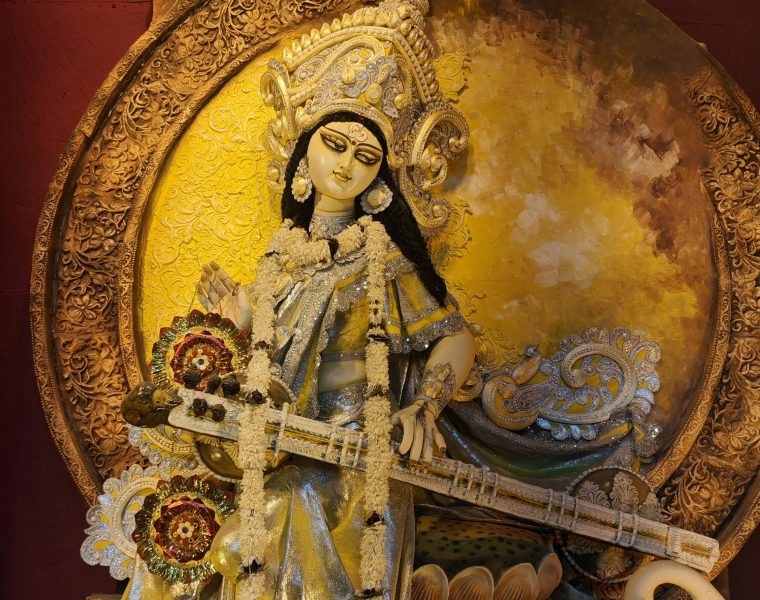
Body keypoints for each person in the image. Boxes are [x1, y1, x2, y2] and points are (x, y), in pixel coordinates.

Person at [196, 110, 475, 599]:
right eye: (335, 145)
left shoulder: (382, 258)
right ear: (304, 155)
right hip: (281, 448)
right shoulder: (279, 262)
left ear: (379, 180)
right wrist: (238, 326)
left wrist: (425, 406)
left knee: (272, 514)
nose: (347, 165)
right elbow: (263, 372)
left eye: (366, 156)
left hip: (355, 456)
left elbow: (456, 336)